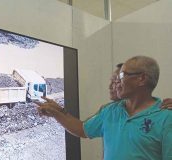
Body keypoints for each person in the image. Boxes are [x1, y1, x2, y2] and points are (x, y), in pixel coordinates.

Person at [35, 56, 172, 160]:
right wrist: (57, 113)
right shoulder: (110, 111)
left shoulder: (166, 117)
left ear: (141, 79)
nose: (116, 82)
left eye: (122, 76)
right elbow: (82, 129)